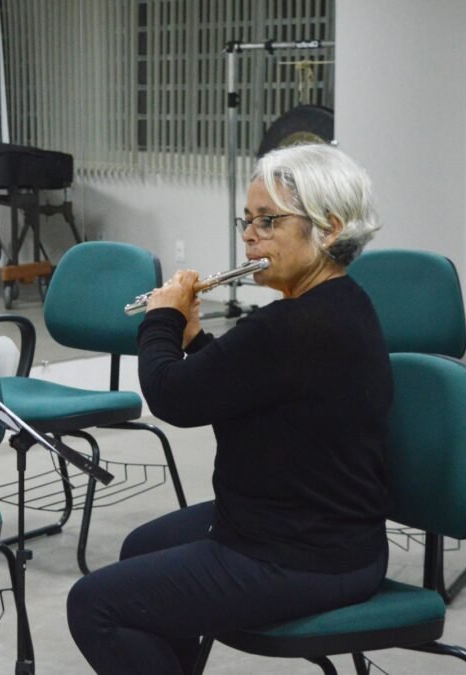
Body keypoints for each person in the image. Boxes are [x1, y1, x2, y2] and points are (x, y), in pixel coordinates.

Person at [67, 143, 392, 674]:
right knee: (141, 548)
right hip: (305, 528)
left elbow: (175, 397)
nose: (249, 235)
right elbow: (238, 389)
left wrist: (162, 320)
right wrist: (195, 337)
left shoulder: (295, 326)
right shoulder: (338, 303)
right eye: (247, 220)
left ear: (329, 229)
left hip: (302, 554)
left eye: (268, 221)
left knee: (94, 605)